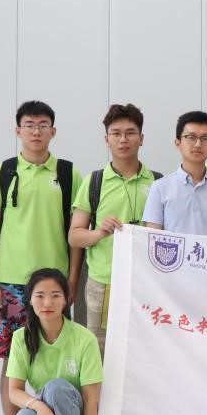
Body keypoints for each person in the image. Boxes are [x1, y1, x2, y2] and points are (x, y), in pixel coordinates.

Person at [0, 100, 83, 415]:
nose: (36, 131)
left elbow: (75, 234)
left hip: (55, 285)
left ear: (53, 131)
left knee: (61, 361)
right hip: (10, 285)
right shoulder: (2, 173)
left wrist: (72, 280)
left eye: (42, 124)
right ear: (17, 131)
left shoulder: (69, 174)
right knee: (13, 364)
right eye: (28, 124)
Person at [69, 104, 159, 356]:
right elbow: (74, 236)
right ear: (106, 139)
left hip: (146, 284)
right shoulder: (94, 181)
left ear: (141, 138)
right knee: (99, 354)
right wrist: (99, 232)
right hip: (103, 283)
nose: (123, 139)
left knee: (143, 353)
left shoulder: (158, 182)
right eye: (116, 133)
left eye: (130, 133)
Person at [7, 268, 103, 415]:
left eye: (55, 295)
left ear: (66, 299)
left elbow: (91, 400)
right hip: (47, 413)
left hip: (79, 413)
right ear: (30, 300)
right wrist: (38, 406)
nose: (47, 303)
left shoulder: (84, 338)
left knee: (56, 387)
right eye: (40, 296)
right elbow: (14, 391)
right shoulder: (20, 338)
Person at [143, 111, 207, 237]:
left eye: (205, 138)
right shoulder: (159, 188)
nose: (198, 144)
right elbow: (152, 239)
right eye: (191, 137)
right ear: (178, 143)